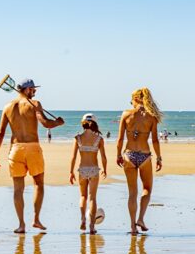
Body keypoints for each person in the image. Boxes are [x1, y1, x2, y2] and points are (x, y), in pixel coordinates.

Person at [0, 78, 65, 234]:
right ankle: (36, 219)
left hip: (15, 149)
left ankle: (21, 225)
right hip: (32, 148)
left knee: (18, 189)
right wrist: (58, 123)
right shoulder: (35, 104)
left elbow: (0, 133)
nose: (35, 92)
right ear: (26, 89)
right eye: (33, 89)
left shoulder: (7, 107)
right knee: (38, 183)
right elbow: (45, 123)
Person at [116, 88, 163, 235]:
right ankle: (141, 218)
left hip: (129, 155)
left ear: (136, 99)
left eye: (132, 99)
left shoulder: (126, 114)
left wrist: (118, 155)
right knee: (147, 189)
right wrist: (159, 157)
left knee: (132, 193)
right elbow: (155, 140)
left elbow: (119, 139)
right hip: (144, 156)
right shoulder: (152, 117)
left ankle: (132, 227)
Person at [69, 113, 108, 235]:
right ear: (95, 124)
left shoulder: (78, 138)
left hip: (82, 170)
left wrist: (71, 172)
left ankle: (82, 219)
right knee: (92, 198)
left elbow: (73, 157)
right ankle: (91, 226)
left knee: (83, 196)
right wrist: (105, 169)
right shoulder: (99, 139)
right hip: (94, 170)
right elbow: (104, 157)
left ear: (83, 123)